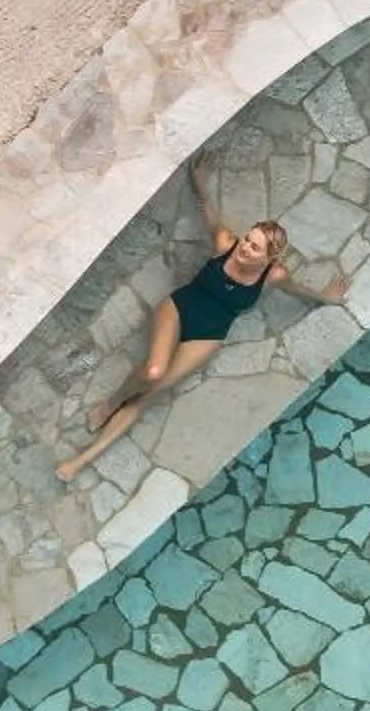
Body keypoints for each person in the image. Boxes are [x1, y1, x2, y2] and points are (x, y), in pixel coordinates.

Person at [55, 155, 352, 483]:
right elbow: (209, 213)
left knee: (152, 393)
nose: (245, 248)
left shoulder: (274, 275)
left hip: (209, 332)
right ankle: (111, 402)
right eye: (248, 239)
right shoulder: (225, 243)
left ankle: (78, 463)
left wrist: (326, 297)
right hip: (181, 307)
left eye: (255, 248)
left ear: (270, 257)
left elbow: (297, 290)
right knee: (153, 372)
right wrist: (201, 184)